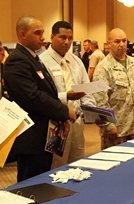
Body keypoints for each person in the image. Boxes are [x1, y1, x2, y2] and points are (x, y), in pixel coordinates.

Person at [3, 16, 76, 182]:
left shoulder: (33, 58)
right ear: (22, 35)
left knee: (43, 184)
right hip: (31, 138)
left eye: (42, 32)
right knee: (31, 188)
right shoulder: (17, 60)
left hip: (43, 135)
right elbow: (33, 96)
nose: (42, 37)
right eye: (37, 33)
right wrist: (64, 111)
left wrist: (60, 116)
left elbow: (48, 92)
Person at [39, 21, 96, 168]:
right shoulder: (41, 61)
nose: (67, 42)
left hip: (76, 121)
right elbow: (42, 96)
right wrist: (66, 96)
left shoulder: (76, 61)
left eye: (70, 38)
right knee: (57, 166)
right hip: (56, 122)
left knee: (78, 164)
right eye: (62, 37)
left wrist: (94, 111)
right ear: (52, 37)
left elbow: (86, 90)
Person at [92, 28, 134, 149]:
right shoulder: (103, 68)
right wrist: (108, 125)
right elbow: (100, 100)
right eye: (117, 41)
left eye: (124, 41)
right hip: (117, 131)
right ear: (109, 43)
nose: (122, 44)